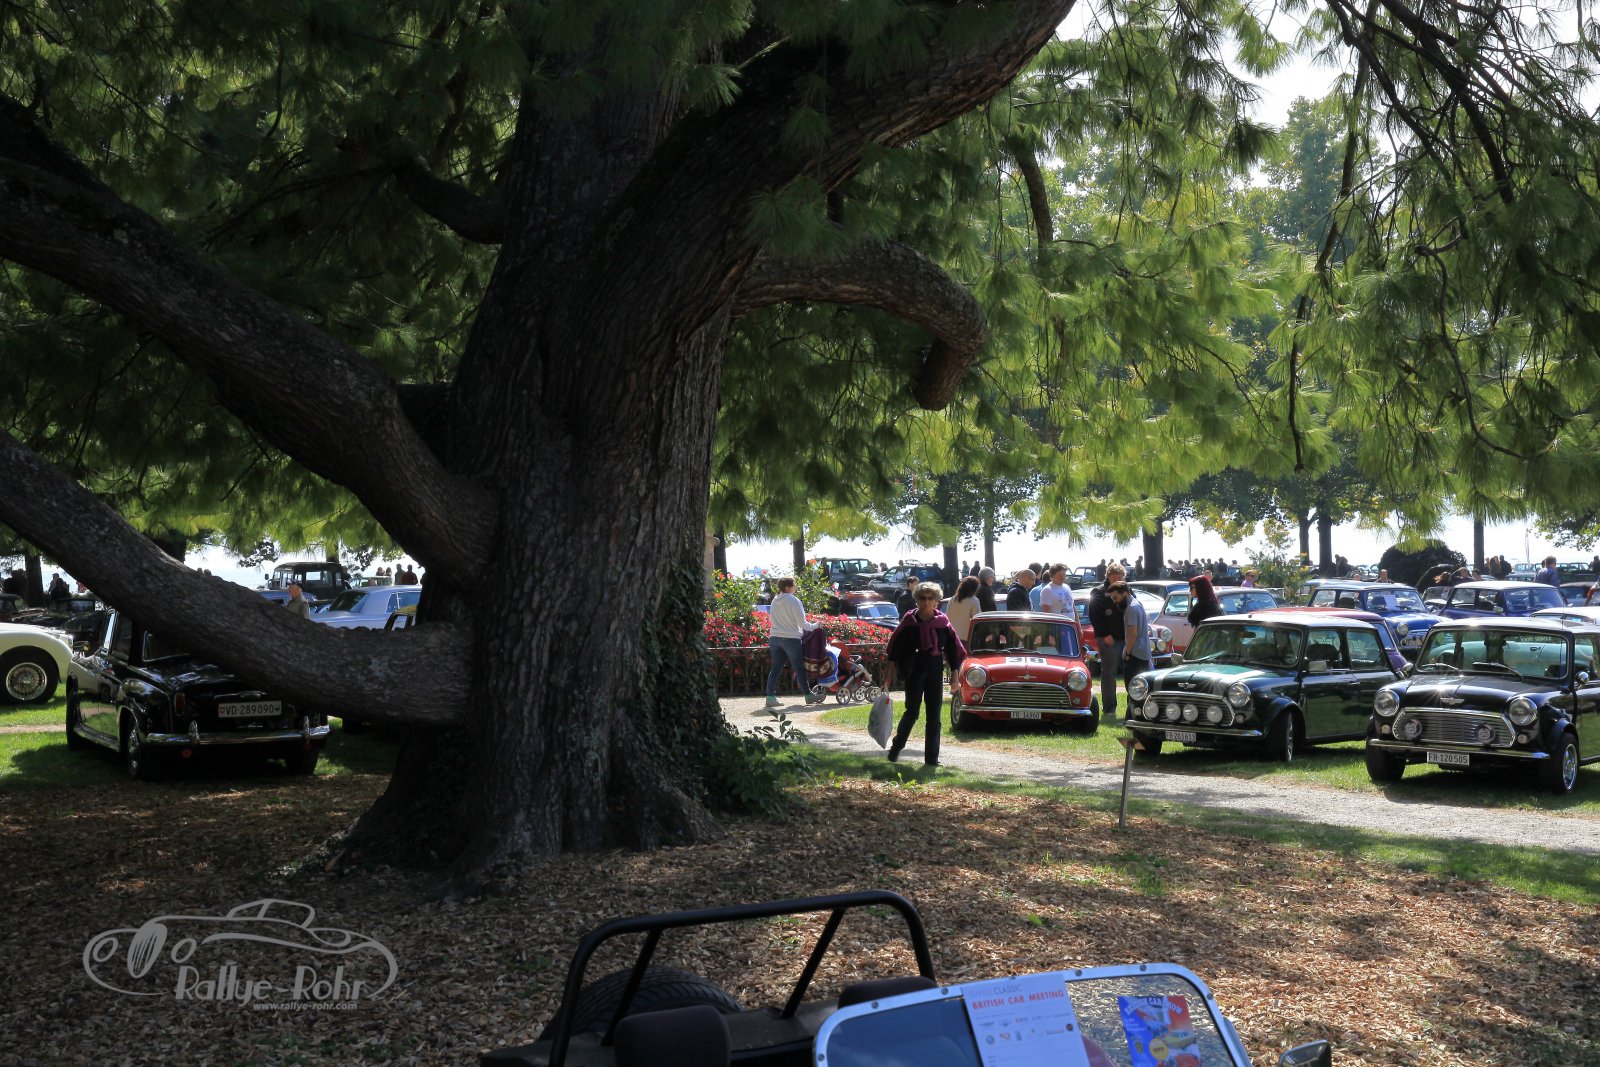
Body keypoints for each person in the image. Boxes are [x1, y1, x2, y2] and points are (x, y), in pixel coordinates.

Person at [885, 582, 966, 766]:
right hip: (914, 670)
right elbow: (894, 649)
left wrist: (955, 674)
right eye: (923, 598)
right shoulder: (909, 622)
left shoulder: (943, 623)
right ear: (917, 599)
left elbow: (953, 650)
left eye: (930, 598)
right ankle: (895, 749)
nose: (926, 601)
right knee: (912, 712)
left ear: (936, 601)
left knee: (934, 717)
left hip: (935, 669)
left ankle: (931, 759)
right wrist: (889, 674)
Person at [765, 577, 819, 709]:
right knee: (799, 668)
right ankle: (808, 695)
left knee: (776, 668)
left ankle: (770, 697)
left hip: (775, 637)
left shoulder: (775, 600)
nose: (795, 587)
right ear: (788, 587)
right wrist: (816, 626)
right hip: (790, 638)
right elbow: (802, 623)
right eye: (794, 585)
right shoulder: (794, 600)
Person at [1089, 563, 1126, 720]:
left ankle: (1133, 708)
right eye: (1114, 577)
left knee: (1130, 672)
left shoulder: (1126, 589)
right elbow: (1094, 616)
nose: (1117, 579)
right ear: (1108, 576)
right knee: (1109, 673)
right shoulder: (1098, 591)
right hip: (1108, 638)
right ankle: (1109, 708)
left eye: (1120, 577)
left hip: (1125, 637)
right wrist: (1105, 635)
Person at [1110, 581, 1153, 682]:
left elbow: (1132, 634)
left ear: (1125, 593)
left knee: (1131, 686)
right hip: (1144, 653)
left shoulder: (1131, 608)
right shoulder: (1137, 603)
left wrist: (1127, 652)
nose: (1114, 601)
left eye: (1115, 597)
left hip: (1135, 655)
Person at [945, 576, 982, 643]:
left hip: (953, 637)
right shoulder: (974, 600)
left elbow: (947, 619)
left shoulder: (952, 599)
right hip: (968, 638)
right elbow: (977, 621)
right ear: (974, 588)